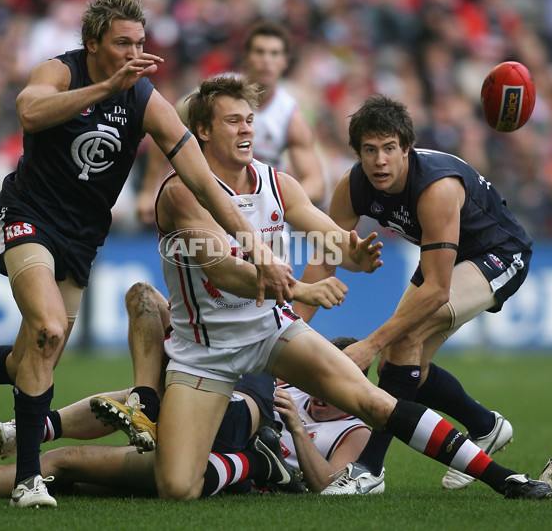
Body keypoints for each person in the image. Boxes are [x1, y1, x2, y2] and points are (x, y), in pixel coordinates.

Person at [103, 74, 550, 501]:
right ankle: (59, 456)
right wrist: (302, 291)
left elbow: (330, 240)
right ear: (202, 129)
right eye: (233, 121)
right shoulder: (182, 192)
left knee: (376, 396)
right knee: (178, 486)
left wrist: (352, 253)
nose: (246, 130)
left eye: (250, 120)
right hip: (205, 350)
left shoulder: (278, 182)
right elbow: (226, 273)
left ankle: (503, 479)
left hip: (271, 329)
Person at [0, 0, 295, 509]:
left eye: (140, 42)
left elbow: (201, 180)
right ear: (92, 43)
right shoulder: (62, 72)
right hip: (28, 218)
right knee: (48, 328)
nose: (134, 52)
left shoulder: (142, 99)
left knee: (33, 354)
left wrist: (253, 246)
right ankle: (28, 480)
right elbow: (29, 111)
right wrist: (105, 88)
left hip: (81, 238)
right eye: (121, 43)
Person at [294, 93, 535, 494]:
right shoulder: (353, 184)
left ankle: (369, 469)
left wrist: (368, 344)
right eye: (369, 150)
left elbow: (438, 290)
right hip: (443, 256)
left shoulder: (435, 187)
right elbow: (326, 258)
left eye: (389, 148)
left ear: (406, 148)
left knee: (399, 340)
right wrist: (287, 331)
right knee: (405, 364)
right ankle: (484, 426)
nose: (379, 161)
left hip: (498, 254)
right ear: (357, 153)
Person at [0, 284, 369, 498]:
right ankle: (140, 406)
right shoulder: (292, 383)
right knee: (142, 299)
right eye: (322, 379)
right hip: (204, 425)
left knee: (69, 467)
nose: (322, 390)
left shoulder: (355, 429)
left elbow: (331, 485)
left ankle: (253, 462)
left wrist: (296, 429)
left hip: (226, 442)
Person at [136, 20, 325, 226]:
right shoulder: (215, 94)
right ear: (246, 57)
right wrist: (148, 190)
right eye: (260, 52)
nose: (266, 61)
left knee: (269, 258)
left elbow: (316, 182)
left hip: (267, 220)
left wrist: (271, 199)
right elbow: (165, 128)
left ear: (285, 61)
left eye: (274, 54)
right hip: (211, 207)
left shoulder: (289, 114)